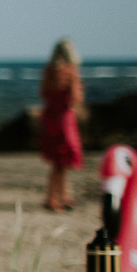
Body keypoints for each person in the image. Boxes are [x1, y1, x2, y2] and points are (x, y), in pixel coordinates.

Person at [39, 38, 83, 210]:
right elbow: (77, 97)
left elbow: (43, 93)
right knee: (62, 160)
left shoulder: (48, 71)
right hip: (64, 117)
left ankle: (61, 195)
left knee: (58, 160)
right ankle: (54, 197)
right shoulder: (71, 71)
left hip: (50, 115)